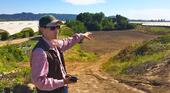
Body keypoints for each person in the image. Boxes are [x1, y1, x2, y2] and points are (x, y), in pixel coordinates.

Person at [30, 15, 93, 93]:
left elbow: (67, 42)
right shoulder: (40, 52)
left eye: (58, 27)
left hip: (61, 88)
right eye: (52, 28)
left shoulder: (54, 43)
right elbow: (39, 82)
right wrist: (63, 82)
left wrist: (81, 36)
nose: (56, 30)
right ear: (42, 29)